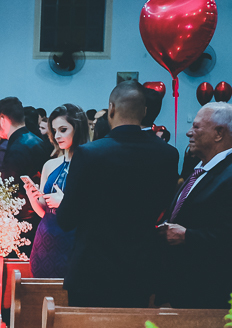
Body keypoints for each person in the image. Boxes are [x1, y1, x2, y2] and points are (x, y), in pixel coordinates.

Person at [55, 81, 180, 307]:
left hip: (92, 269)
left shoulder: (90, 154)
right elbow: (164, 207)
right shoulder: (168, 155)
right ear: (144, 112)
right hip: (140, 269)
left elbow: (66, 220)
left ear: (111, 108)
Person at [158, 102, 232, 308]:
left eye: (196, 127)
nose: (189, 132)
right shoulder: (200, 168)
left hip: (214, 293)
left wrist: (187, 235)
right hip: (185, 287)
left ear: (218, 133)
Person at [22, 104, 89, 278]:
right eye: (54, 130)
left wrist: (65, 203)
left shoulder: (91, 163)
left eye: (63, 129)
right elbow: (44, 212)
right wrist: (32, 195)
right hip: (46, 238)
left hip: (74, 238)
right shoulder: (50, 165)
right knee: (40, 295)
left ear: (78, 128)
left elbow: (95, 210)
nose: (57, 135)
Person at [0, 96, 51, 240]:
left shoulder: (17, 147)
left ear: (3, 119)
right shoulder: (35, 140)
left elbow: (10, 190)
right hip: (39, 214)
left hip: (25, 220)